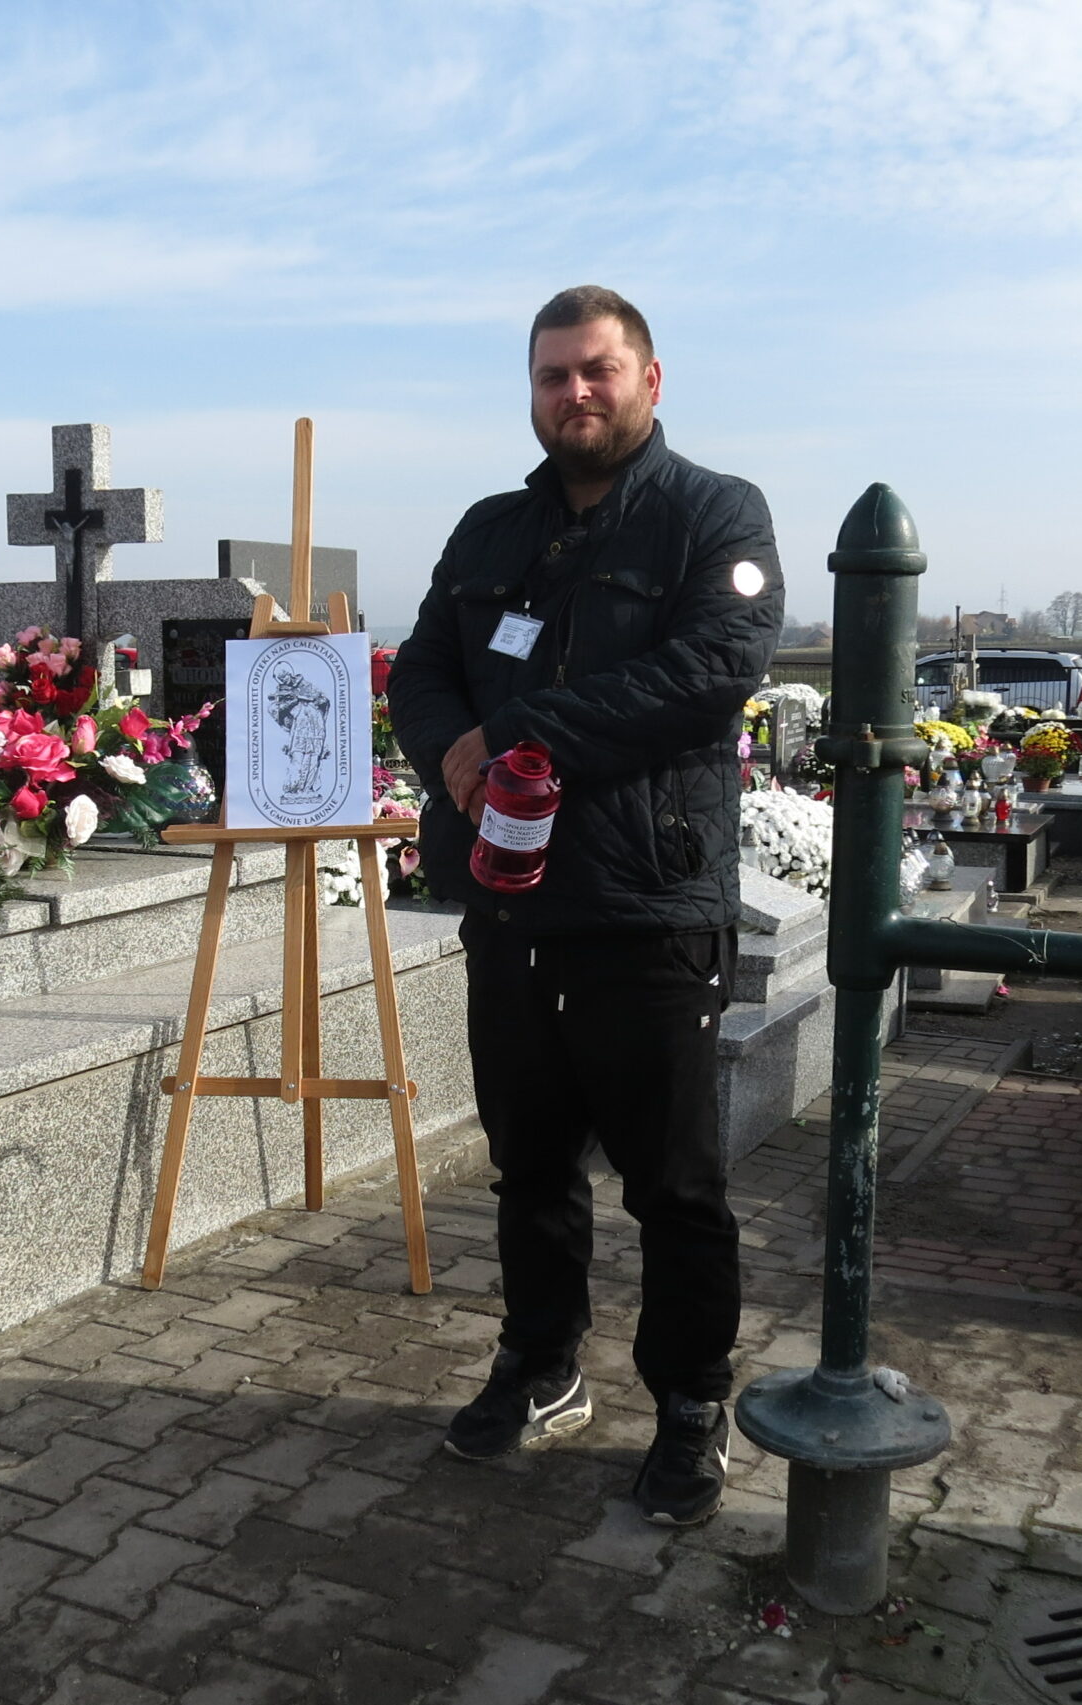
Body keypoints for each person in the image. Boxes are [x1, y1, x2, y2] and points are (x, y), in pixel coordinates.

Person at [388, 285, 783, 1526]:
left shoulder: (712, 512)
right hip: (511, 906)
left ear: (648, 381)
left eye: (597, 370)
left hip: (645, 902)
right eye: (553, 375)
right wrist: (455, 753)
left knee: (674, 1188)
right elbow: (424, 668)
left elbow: (710, 670)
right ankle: (541, 1362)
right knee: (529, 1167)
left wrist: (520, 735)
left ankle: (689, 1403)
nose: (575, 394)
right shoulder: (491, 529)